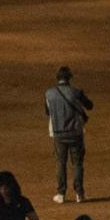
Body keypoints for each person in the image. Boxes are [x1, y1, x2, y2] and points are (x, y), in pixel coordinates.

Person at [45, 65, 94, 205]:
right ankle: (79, 193)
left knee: (61, 163)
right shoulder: (76, 92)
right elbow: (89, 105)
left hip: (58, 134)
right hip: (75, 133)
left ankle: (61, 193)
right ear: (69, 78)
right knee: (77, 163)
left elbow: (47, 112)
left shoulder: (49, 93)